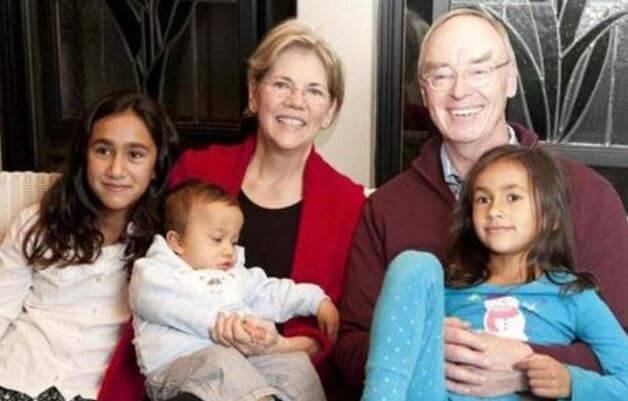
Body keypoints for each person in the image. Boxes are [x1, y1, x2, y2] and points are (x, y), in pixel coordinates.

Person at [336, 7, 628, 398]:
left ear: (509, 80)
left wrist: (526, 364)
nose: (459, 91)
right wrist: (417, 346)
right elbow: (350, 347)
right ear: (424, 93)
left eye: (478, 70)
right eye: (441, 75)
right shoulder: (388, 208)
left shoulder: (586, 193)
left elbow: (621, 349)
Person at [168, 19, 365, 400]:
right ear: (254, 93)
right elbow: (158, 276)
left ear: (329, 111)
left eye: (313, 91)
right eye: (281, 84)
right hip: (192, 365)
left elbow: (342, 329)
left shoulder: (348, 204)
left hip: (287, 377)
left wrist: (277, 347)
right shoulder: (196, 171)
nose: (296, 101)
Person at [361, 146, 628, 401]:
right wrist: (424, 336)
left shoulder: (572, 295)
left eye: (513, 197)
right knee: (414, 264)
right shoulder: (448, 290)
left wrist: (571, 382)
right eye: (483, 199)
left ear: (550, 216)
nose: (495, 211)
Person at [0, 91, 178, 401]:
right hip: (16, 379)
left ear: (156, 167)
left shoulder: (165, 245)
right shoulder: (37, 224)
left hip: (94, 390)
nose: (116, 170)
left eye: (135, 154)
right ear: (84, 154)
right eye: (103, 150)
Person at [130, 181, 339, 401]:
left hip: (238, 362)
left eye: (234, 241)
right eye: (217, 239)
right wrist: (225, 325)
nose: (229, 250)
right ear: (177, 242)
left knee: (294, 362)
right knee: (221, 361)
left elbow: (267, 292)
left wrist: (315, 300)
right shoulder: (153, 274)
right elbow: (179, 306)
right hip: (173, 370)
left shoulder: (234, 274)